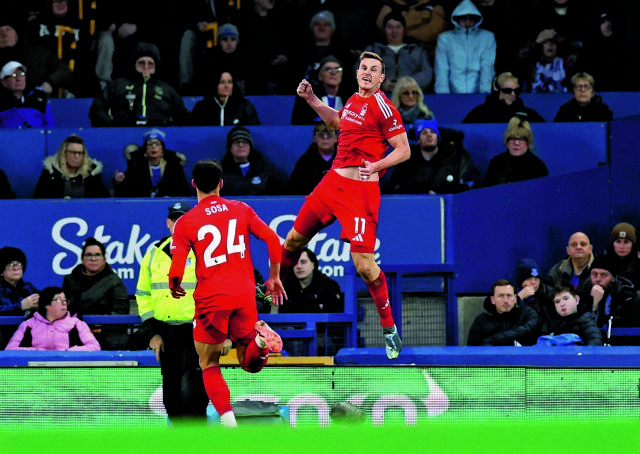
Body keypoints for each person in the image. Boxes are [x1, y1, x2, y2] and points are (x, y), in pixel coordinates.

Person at [286, 51, 411, 360]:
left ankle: (389, 328)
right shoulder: (353, 100)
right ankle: (270, 287)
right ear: (357, 73)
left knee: (365, 267)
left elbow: (404, 150)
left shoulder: (384, 107)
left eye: (374, 69)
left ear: (381, 78)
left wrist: (378, 165)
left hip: (360, 193)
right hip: (331, 185)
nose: (367, 72)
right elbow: (337, 121)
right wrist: (311, 99)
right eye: (363, 67)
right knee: (292, 241)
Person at [168, 159, 287, 427]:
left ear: (194, 184)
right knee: (248, 361)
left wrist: (174, 284)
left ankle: (228, 420)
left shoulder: (185, 222)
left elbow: (176, 269)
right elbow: (272, 238)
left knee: (209, 362)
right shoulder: (241, 209)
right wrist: (274, 277)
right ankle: (260, 345)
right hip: (244, 295)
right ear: (221, 183)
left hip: (212, 298)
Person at [133, 201, 212, 424]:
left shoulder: (206, 251)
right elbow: (143, 295)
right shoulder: (154, 252)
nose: (179, 223)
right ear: (168, 223)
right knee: (172, 397)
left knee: (192, 394)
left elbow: (219, 294)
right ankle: (179, 440)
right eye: (175, 219)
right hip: (166, 333)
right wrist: (153, 333)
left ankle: (196, 440)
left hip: (197, 331)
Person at [89, 42, 191, 127]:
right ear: (134, 65)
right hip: (123, 133)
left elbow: (183, 117)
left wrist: (169, 127)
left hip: (159, 135)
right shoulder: (117, 85)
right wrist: (112, 126)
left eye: (150, 63)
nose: (146, 67)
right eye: (141, 63)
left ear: (156, 67)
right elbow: (97, 109)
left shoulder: (167, 89)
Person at [62, 237, 130, 350]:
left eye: (97, 255)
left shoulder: (114, 281)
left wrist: (100, 325)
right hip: (75, 331)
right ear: (82, 259)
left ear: (104, 259)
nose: (93, 259)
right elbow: (65, 308)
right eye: (89, 255)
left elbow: (120, 311)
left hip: (106, 333)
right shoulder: (70, 280)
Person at [384, 119, 468, 195]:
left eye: (433, 132)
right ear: (418, 140)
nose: (429, 135)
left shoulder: (449, 154)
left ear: (438, 138)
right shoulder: (408, 158)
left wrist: (434, 190)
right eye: (424, 133)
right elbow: (395, 183)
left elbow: (459, 136)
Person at [5, 286, 101, 351]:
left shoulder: (77, 324)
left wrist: (68, 352)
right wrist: (36, 352)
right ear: (46, 305)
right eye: (58, 300)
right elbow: (10, 349)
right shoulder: (28, 324)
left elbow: (95, 347)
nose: (64, 303)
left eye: (65, 300)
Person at [0, 14, 73, 98]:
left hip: (36, 101)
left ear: (16, 33)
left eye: (8, 30)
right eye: (0, 32)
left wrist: (49, 82)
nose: (4, 34)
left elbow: (64, 70)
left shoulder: (38, 53)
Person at [364, 11, 433, 96]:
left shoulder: (418, 51)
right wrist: (380, 83)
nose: (394, 31)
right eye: (390, 27)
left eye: (398, 27)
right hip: (378, 97)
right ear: (384, 30)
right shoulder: (373, 50)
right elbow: (361, 71)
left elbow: (426, 73)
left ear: (404, 29)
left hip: (410, 97)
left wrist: (406, 84)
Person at [434, 0, 496, 94]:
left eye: (471, 19)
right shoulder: (445, 38)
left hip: (479, 93)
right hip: (451, 93)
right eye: (464, 19)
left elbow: (487, 68)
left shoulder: (487, 37)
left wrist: (484, 94)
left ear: (476, 19)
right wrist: (443, 95)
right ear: (457, 19)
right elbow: (441, 69)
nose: (467, 22)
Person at [113, 128, 191, 198]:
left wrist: (170, 197)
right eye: (150, 144)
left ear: (162, 150)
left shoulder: (174, 167)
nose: (153, 146)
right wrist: (119, 183)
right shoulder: (136, 167)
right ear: (145, 151)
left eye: (157, 144)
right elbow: (126, 194)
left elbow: (183, 190)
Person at [34, 135, 110, 199]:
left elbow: (104, 200)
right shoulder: (51, 173)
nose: (77, 156)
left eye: (80, 153)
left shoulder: (92, 173)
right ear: (64, 153)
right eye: (73, 153)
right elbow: (39, 199)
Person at [466, 279, 538, 346]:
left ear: (515, 298)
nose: (506, 301)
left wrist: (492, 340)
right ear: (492, 300)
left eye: (509, 295)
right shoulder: (481, 321)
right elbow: (472, 350)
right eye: (501, 296)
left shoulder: (528, 314)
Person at [481, 116, 549, 187]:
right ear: (507, 142)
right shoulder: (496, 163)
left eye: (521, 139)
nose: (516, 143)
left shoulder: (538, 166)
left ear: (528, 143)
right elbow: (486, 191)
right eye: (512, 138)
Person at [219, 125, 285, 196]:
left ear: (250, 146)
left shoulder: (266, 170)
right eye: (236, 142)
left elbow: (278, 194)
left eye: (245, 142)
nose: (241, 145)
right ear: (230, 147)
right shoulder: (220, 172)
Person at [585, 255, 640, 333]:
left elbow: (628, 327)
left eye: (603, 275)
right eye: (594, 274)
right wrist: (594, 304)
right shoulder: (584, 290)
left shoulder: (627, 297)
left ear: (613, 278)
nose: (598, 279)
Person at [462, 72, 545, 124]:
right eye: (507, 90)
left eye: (516, 91)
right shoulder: (480, 113)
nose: (513, 94)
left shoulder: (527, 113)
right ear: (497, 90)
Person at [290, 55, 350, 126]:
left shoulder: (351, 98)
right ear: (320, 76)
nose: (333, 73)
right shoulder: (307, 97)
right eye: (328, 69)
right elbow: (298, 123)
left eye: (338, 69)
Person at [191, 23, 247, 96]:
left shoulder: (245, 61)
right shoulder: (208, 61)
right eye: (224, 39)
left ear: (237, 42)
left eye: (233, 39)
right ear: (219, 42)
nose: (229, 43)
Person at [0, 246, 40, 348]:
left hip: (27, 338)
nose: (16, 268)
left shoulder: (27, 287)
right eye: (11, 265)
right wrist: (21, 305)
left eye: (19, 264)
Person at [539, 285, 603, 346]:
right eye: (557, 302)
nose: (562, 304)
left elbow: (595, 343)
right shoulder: (555, 323)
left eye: (566, 298)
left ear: (576, 300)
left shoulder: (586, 321)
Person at [191, 70, 260, 126]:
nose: (226, 86)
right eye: (222, 82)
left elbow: (255, 129)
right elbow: (194, 131)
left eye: (229, 82)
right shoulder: (201, 107)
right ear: (215, 84)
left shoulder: (244, 105)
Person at [0, 60, 56, 128]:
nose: (19, 79)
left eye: (22, 74)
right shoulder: (2, 101)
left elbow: (51, 124)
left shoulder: (38, 97)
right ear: (3, 81)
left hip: (37, 134)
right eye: (13, 75)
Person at [287, 122, 337, 195]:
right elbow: (293, 189)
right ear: (314, 139)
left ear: (336, 138)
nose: (325, 138)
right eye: (320, 135)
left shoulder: (346, 159)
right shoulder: (305, 161)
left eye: (329, 134)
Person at [514, 257, 554, 336]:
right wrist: (519, 298)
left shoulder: (551, 293)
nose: (533, 282)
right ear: (520, 281)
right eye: (529, 279)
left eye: (536, 278)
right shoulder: (510, 293)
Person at [547, 231, 595, 296]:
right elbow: (550, 297)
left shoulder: (600, 271)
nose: (578, 247)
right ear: (568, 250)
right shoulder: (556, 272)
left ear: (590, 249)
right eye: (574, 245)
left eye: (583, 244)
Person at [601, 223, 640, 289]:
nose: (622, 246)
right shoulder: (602, 264)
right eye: (618, 241)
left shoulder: (638, 266)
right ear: (613, 244)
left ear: (632, 244)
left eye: (626, 242)